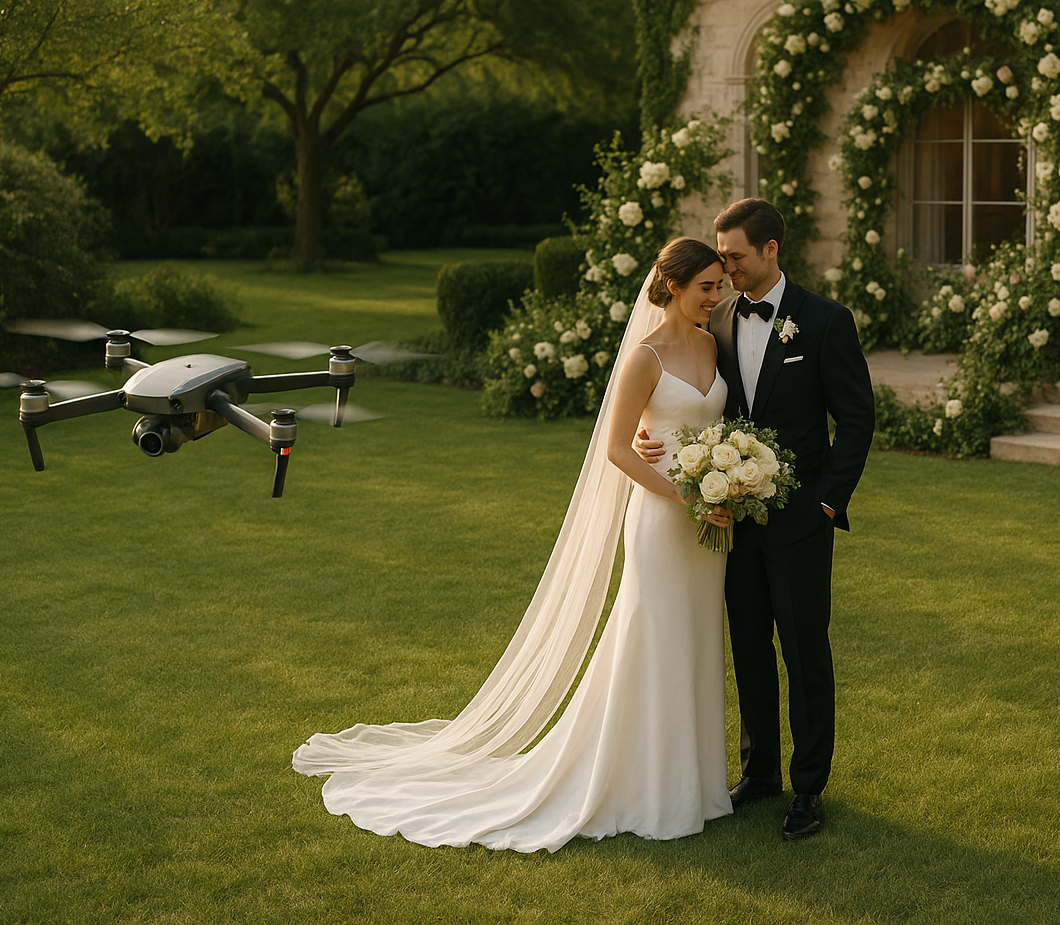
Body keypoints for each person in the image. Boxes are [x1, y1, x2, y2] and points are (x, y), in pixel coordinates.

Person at [293, 238, 736, 852]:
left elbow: (708, 427)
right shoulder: (646, 357)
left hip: (710, 524)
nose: (716, 298)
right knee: (653, 641)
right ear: (672, 287)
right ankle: (647, 785)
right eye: (706, 288)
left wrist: (729, 480)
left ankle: (696, 784)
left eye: (719, 286)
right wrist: (684, 495)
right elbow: (614, 449)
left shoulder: (715, 344)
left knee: (695, 641)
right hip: (663, 523)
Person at [640, 198, 875, 840]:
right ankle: (759, 772)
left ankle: (808, 788)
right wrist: (647, 438)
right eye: (721, 257)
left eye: (736, 255)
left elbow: (856, 421)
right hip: (729, 523)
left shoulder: (826, 322)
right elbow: (688, 401)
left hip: (801, 523)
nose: (726, 267)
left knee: (804, 655)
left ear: (771, 249)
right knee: (748, 650)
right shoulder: (715, 320)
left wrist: (828, 502)